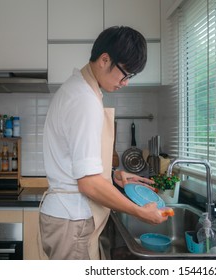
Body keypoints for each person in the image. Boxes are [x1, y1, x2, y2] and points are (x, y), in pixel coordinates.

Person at [40, 26, 168, 260]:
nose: (126, 82)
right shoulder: (84, 100)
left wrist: (111, 176)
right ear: (104, 59)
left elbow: (78, 163)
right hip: (72, 219)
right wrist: (139, 212)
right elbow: (88, 184)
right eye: (125, 74)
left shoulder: (78, 89)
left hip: (67, 217)